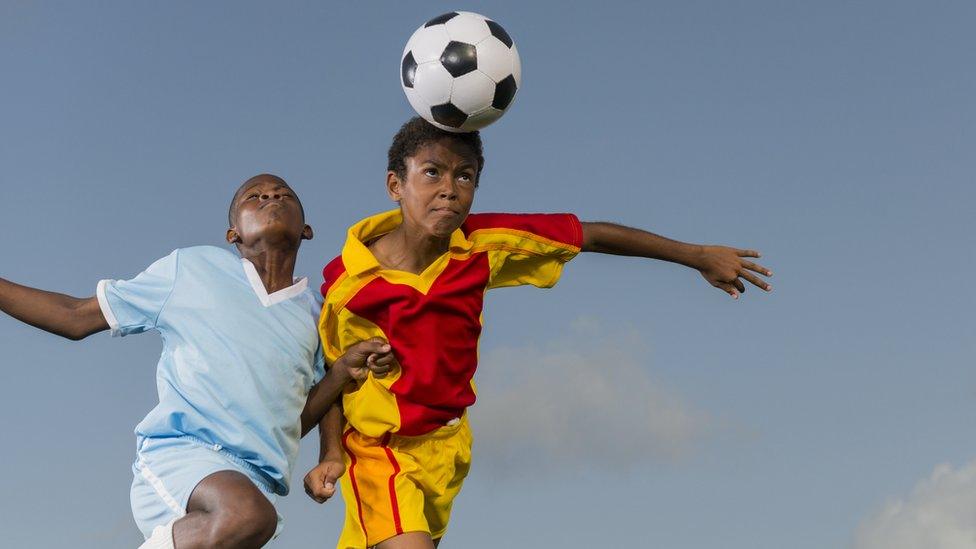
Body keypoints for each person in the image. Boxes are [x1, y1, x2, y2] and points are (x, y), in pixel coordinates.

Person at [305, 118, 773, 548]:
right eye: (432, 173)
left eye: (464, 176)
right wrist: (331, 453)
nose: (449, 189)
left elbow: (588, 235)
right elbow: (335, 370)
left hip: (448, 446)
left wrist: (695, 256)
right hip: (380, 448)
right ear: (395, 185)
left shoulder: (482, 245)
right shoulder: (349, 281)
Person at [0, 174, 394, 549]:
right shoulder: (191, 269)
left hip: (257, 486)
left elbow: (294, 420)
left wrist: (333, 428)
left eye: (283, 194)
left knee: (250, 516)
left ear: (307, 229)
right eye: (254, 196)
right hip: (183, 457)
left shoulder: (315, 315)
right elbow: (75, 315)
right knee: (246, 515)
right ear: (232, 235)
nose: (271, 198)